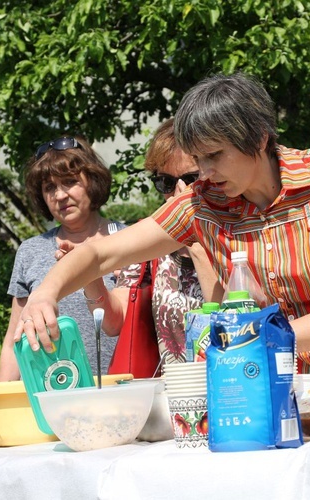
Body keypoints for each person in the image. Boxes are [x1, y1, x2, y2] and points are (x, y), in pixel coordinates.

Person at [14, 73, 310, 374]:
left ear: (259, 138)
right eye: (198, 159)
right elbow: (102, 251)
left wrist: (252, 339)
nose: (203, 173)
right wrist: (45, 294)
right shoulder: (200, 204)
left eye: (214, 156)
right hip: (287, 385)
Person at [61, 119, 223, 366]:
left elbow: (231, 319)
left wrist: (192, 235)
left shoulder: (235, 232)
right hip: (174, 394)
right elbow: (114, 323)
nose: (178, 192)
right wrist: (90, 278)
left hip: (232, 385)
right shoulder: (148, 241)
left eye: (190, 179)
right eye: (166, 182)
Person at [0, 136, 122, 381]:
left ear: (93, 181)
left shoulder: (128, 241)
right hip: (50, 394)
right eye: (49, 187)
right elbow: (14, 341)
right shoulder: (31, 250)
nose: (60, 195)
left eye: (70, 182)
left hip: (120, 389)